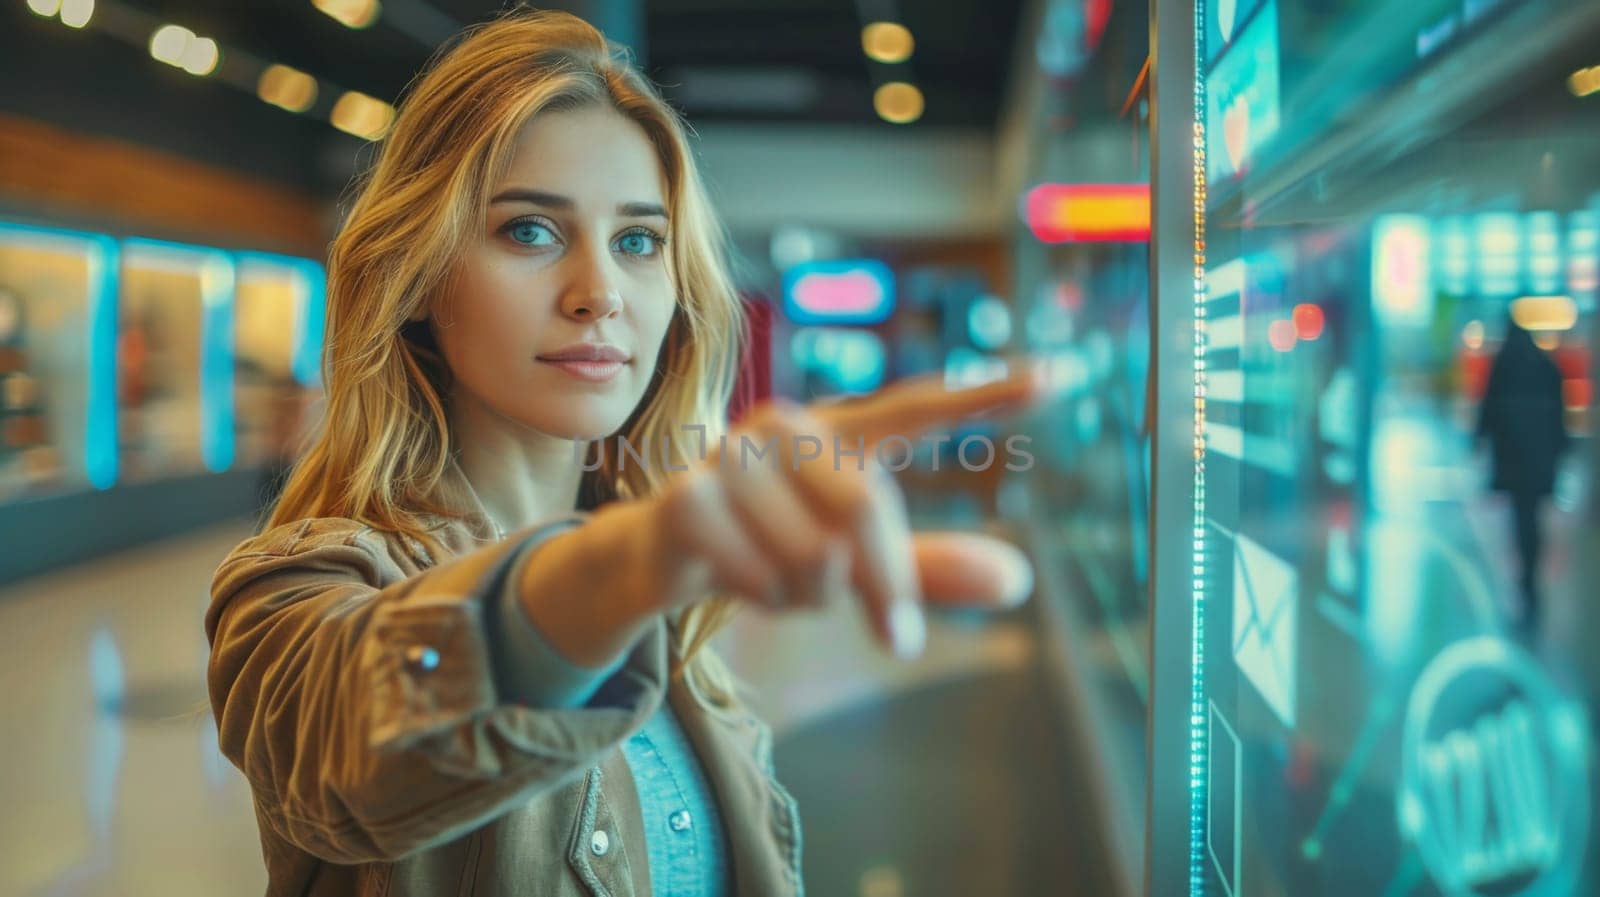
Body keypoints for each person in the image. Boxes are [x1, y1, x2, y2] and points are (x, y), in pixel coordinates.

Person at [205, 9, 1046, 897]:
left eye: (638, 241)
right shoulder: (296, 589)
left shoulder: (673, 612)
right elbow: (345, 735)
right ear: (418, 274)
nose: (599, 292)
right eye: (529, 230)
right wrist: (640, 558)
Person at [1475, 317, 1570, 631]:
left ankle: (1525, 580)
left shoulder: (1504, 366)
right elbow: (1560, 416)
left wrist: (1477, 441)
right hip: (1540, 462)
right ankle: (1530, 577)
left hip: (1514, 461)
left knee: (1520, 519)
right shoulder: (1546, 367)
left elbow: (1488, 410)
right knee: (1533, 518)